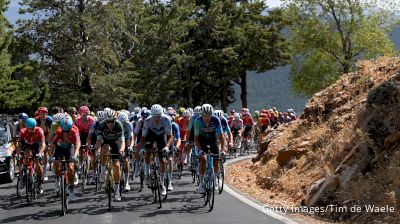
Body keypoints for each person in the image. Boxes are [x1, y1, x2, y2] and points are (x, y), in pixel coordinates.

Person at [136, 104, 173, 196]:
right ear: (152, 115)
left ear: (162, 114)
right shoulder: (148, 120)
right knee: (147, 152)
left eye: (159, 116)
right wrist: (142, 148)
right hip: (150, 135)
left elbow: (170, 136)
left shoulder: (166, 119)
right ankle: (147, 172)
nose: (157, 118)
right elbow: (143, 137)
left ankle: (162, 184)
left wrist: (167, 147)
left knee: (163, 160)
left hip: (162, 136)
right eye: (155, 116)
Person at [194, 104, 226, 193]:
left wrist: (223, 149)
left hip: (213, 139)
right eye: (205, 115)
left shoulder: (216, 120)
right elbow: (196, 138)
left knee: (216, 160)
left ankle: (215, 179)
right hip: (202, 140)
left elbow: (221, 136)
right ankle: (201, 183)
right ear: (202, 114)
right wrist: (199, 150)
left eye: (209, 115)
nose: (207, 117)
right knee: (203, 160)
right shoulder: (198, 121)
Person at [96, 109, 125, 202]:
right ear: (105, 120)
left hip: (115, 142)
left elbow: (122, 141)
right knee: (104, 148)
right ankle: (103, 170)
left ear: (115, 120)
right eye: (108, 121)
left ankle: (117, 191)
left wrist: (121, 150)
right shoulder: (101, 125)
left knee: (117, 166)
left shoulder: (119, 125)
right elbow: (98, 140)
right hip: (105, 141)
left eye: (112, 121)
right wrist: (98, 150)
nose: (110, 124)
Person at [50, 115, 80, 201]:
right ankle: (58, 178)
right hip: (60, 148)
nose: (66, 133)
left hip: (70, 148)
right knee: (56, 164)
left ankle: (71, 190)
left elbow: (77, 145)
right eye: (64, 131)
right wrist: (50, 156)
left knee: (70, 168)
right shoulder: (59, 131)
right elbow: (52, 144)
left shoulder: (74, 131)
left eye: (68, 130)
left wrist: (75, 156)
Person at [17, 118, 46, 194]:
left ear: (35, 126)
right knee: (26, 157)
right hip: (27, 145)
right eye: (29, 128)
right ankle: (24, 177)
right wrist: (18, 154)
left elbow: (43, 144)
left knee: (37, 164)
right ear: (26, 127)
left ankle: (39, 183)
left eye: (33, 128)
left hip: (37, 145)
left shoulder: (39, 130)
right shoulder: (23, 131)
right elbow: (19, 145)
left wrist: (40, 153)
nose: (31, 130)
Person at [117, 111, 134, 191]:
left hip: (126, 140)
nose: (123, 125)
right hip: (117, 140)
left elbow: (131, 137)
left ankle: (127, 182)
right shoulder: (116, 124)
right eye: (122, 123)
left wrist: (130, 146)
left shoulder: (129, 124)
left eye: (124, 123)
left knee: (126, 161)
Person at [35, 107, 53, 181]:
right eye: (41, 113)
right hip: (38, 135)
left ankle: (45, 171)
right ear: (38, 113)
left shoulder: (49, 120)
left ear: (46, 113)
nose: (42, 114)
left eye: (44, 113)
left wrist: (46, 143)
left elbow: (49, 132)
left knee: (45, 151)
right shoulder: (36, 120)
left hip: (46, 134)